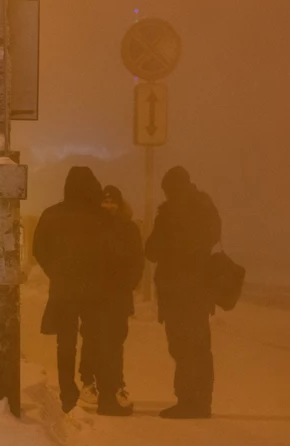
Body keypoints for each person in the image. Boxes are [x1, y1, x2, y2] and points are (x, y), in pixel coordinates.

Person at [145, 166, 221, 419]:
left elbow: (151, 250)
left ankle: (188, 401)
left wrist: (170, 247)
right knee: (199, 345)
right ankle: (202, 401)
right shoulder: (206, 206)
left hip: (176, 290)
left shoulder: (168, 214)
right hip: (200, 289)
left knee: (181, 346)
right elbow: (213, 236)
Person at [32, 166, 105, 414]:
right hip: (94, 288)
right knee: (93, 335)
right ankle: (88, 379)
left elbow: (39, 248)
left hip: (63, 287)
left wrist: (55, 270)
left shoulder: (53, 214)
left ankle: (67, 388)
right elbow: (111, 249)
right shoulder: (100, 216)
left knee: (66, 342)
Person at [89, 185, 144, 416]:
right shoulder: (124, 228)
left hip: (111, 297)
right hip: (108, 298)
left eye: (112, 202)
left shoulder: (98, 227)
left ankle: (108, 394)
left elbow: (137, 263)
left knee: (109, 347)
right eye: (105, 202)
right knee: (109, 347)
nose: (108, 206)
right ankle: (109, 397)